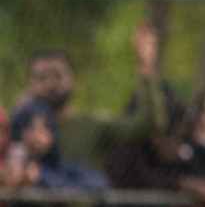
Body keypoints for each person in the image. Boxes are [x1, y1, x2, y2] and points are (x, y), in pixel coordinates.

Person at [20, 24, 168, 172]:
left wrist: (146, 68)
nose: (50, 84)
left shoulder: (91, 126)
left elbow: (149, 123)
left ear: (73, 80)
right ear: (30, 84)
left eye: (57, 75)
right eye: (42, 77)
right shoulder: (17, 128)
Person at [0, 102, 108, 207]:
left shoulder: (60, 167)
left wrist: (40, 178)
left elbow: (99, 183)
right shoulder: (7, 164)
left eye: (44, 129)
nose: (38, 137)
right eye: (31, 129)